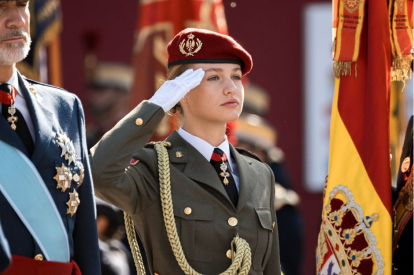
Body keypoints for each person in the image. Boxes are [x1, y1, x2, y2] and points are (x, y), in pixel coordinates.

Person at [90, 28, 281, 274]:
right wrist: (155, 107)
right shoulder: (154, 167)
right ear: (182, 91)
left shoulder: (259, 173)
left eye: (235, 76)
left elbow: (271, 268)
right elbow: (97, 173)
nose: (231, 88)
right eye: (213, 78)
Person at [0, 1, 100, 274]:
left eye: (22, 4)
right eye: (0, 7)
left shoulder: (65, 107)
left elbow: (86, 238)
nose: (17, 20)